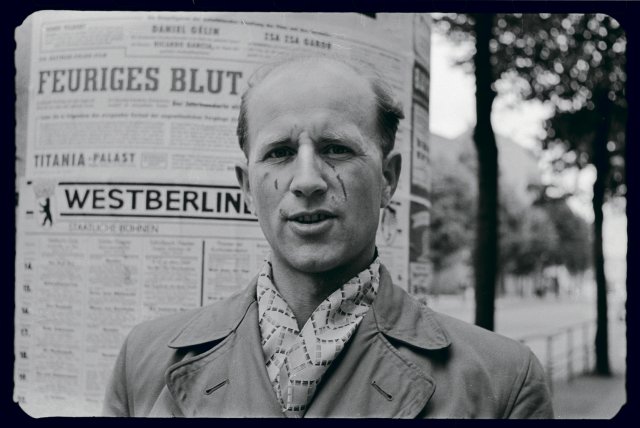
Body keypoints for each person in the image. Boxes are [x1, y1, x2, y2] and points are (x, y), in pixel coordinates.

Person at [102, 55, 554, 418]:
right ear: (246, 187)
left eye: (336, 148)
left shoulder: (501, 383)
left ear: (389, 178)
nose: (307, 181)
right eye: (279, 153)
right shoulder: (144, 362)